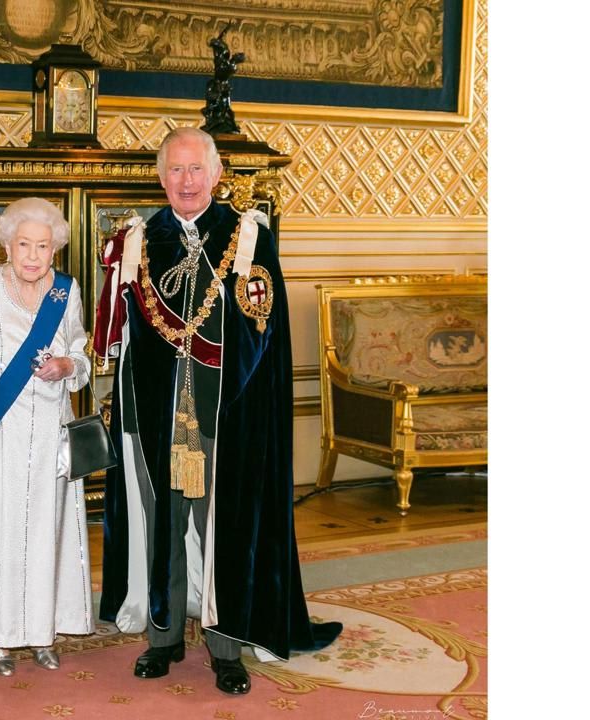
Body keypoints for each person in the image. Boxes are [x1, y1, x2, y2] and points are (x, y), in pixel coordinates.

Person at [92, 126, 341, 695]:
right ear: (161, 178)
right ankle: (164, 639)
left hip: (225, 416)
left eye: (195, 169)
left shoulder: (247, 236)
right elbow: (123, 335)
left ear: (216, 173)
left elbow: (265, 331)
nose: (185, 181)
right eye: (174, 170)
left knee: (222, 529)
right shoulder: (137, 239)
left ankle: (226, 646)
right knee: (164, 528)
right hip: (157, 414)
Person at [0, 197, 95, 676]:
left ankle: (41, 632)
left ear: (55, 249)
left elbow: (82, 357)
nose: (32, 255)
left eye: (42, 246)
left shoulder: (65, 293)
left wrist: (68, 365)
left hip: (50, 435)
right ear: (6, 246)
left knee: (48, 531)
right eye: (23, 244)